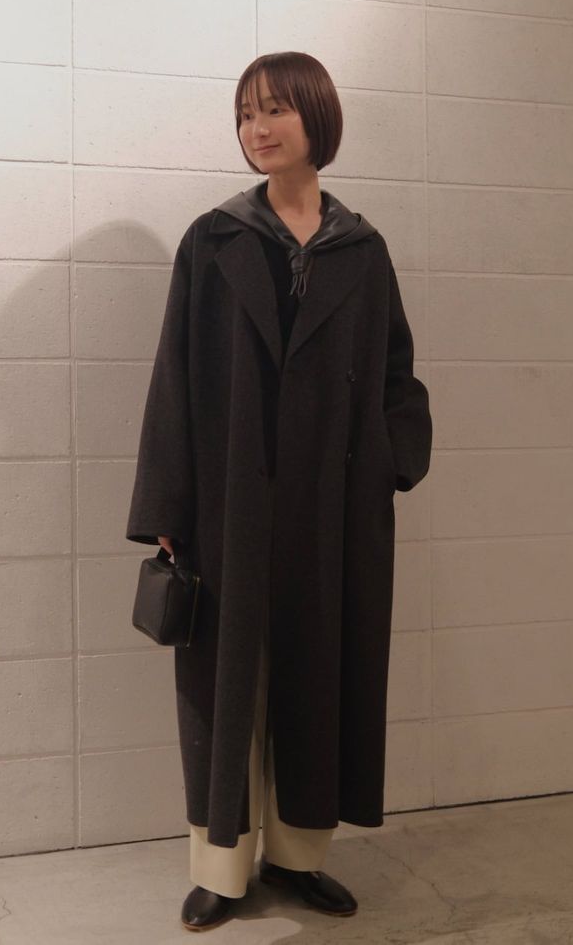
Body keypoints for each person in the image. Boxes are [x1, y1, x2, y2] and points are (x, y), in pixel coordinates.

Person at [126, 51, 432, 933]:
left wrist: (390, 461)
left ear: (316, 118)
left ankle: (299, 857)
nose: (256, 130)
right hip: (230, 503)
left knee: (318, 673)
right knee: (228, 685)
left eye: (274, 111)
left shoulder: (362, 250)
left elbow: (397, 374)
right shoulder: (214, 240)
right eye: (245, 114)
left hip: (334, 508)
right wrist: (168, 509)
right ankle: (220, 869)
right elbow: (175, 378)